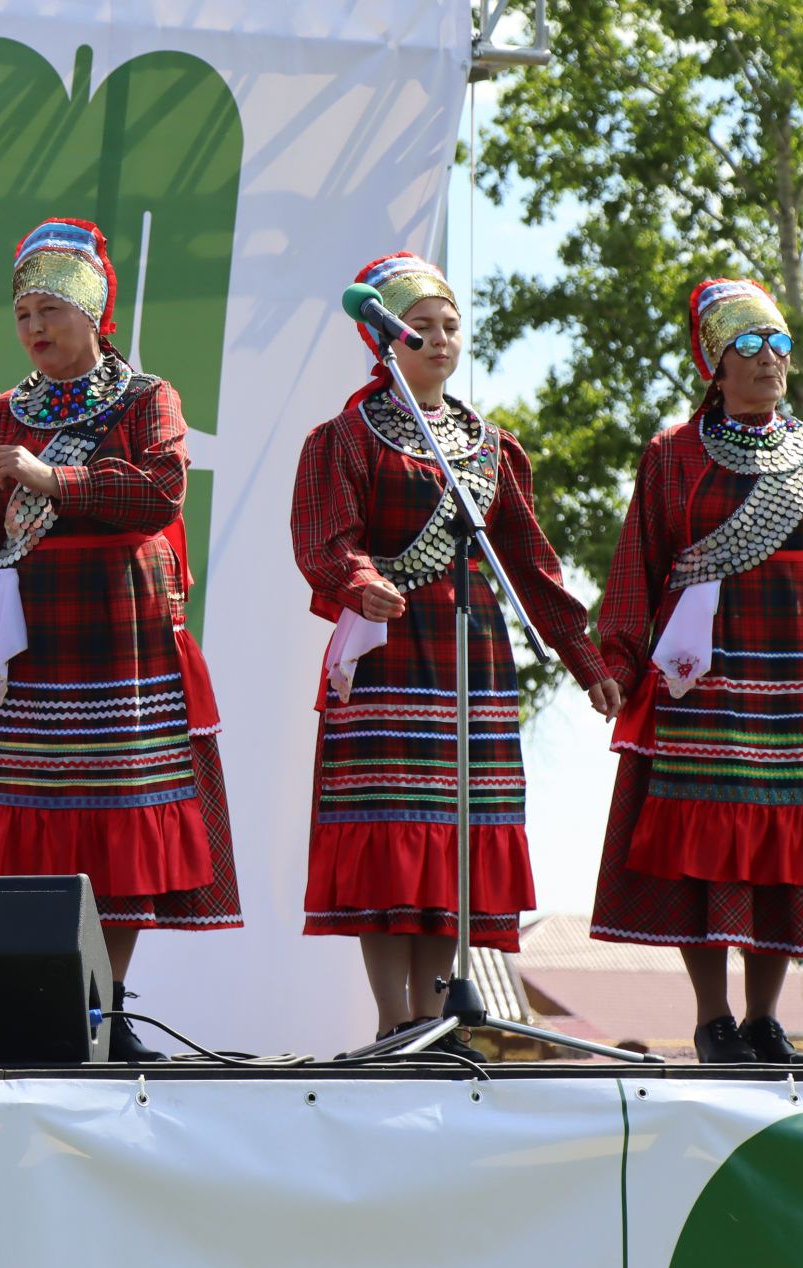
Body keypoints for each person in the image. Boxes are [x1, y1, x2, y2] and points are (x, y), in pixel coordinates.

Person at [590, 278, 803, 1063]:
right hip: (703, 679)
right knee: (705, 849)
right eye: (751, 345)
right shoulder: (672, 457)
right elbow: (637, 568)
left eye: (779, 343)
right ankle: (713, 1018)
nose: (771, 358)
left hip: (802, 674)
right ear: (716, 363)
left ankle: (765, 1017)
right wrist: (614, 658)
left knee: (783, 850)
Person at [291, 253, 621, 1048]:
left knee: (451, 837)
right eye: (419, 330)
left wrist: (586, 659)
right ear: (385, 345)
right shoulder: (343, 438)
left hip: (471, 652)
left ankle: (438, 1016)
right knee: (388, 831)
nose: (439, 342)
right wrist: (358, 580)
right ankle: (391, 1019)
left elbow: (533, 567)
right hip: (387, 651)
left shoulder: (488, 448)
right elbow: (323, 537)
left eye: (449, 328)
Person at [0, 217, 240, 1061]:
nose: (33, 329)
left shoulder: (147, 400)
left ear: (93, 311)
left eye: (49, 310)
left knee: (118, 820)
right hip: (33, 643)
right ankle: (48, 1004)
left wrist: (48, 476)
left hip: (123, 636)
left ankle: (106, 1010)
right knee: (40, 817)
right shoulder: (4, 412)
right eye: (22, 313)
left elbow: (161, 495)